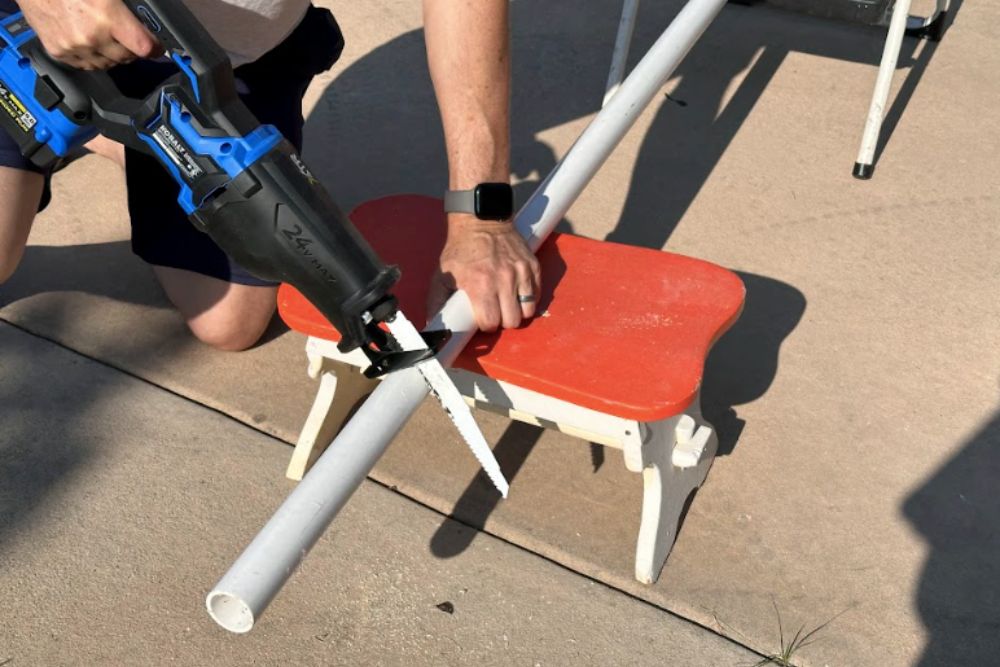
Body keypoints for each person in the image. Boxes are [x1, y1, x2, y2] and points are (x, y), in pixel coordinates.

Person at [0, 0, 540, 350]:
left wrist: (482, 218)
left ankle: (116, 130)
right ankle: (64, 111)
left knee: (229, 323)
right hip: (44, 20)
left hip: (226, 53)